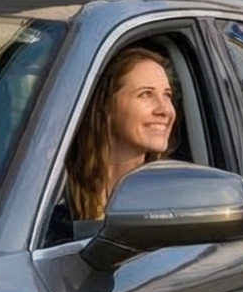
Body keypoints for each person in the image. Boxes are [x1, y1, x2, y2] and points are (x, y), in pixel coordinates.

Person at [63, 44, 176, 222]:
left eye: (167, 95)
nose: (165, 110)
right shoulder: (53, 189)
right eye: (146, 94)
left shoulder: (173, 198)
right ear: (106, 105)